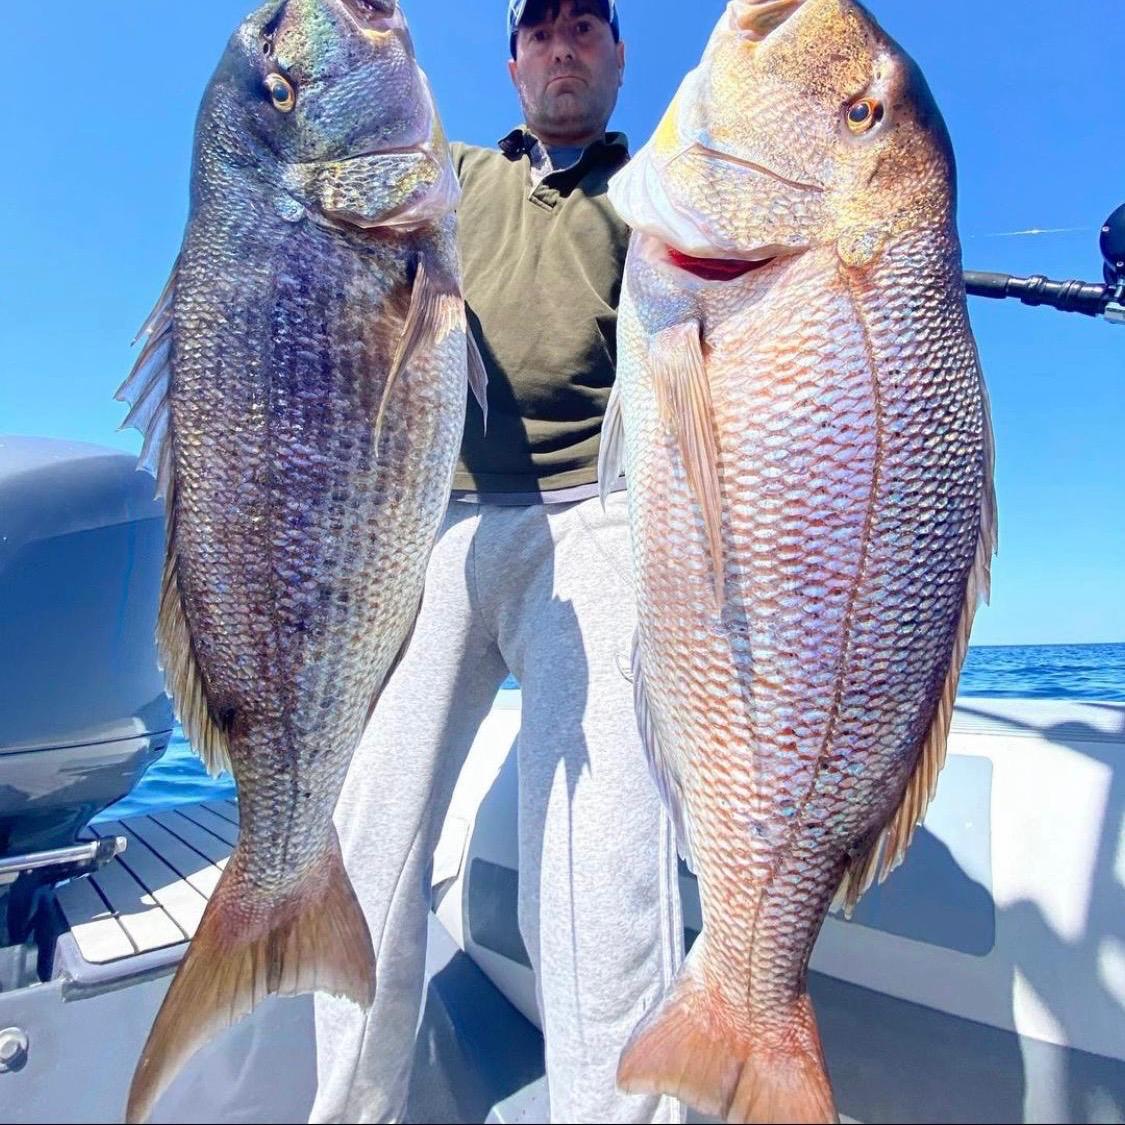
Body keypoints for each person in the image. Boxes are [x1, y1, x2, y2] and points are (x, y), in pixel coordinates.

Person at [311, 2, 684, 1122]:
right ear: (512, 60)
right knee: (366, 843)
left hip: (599, 520)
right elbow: (339, 142)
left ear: (618, 56)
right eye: (543, 30)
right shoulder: (450, 170)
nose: (564, 46)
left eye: (588, 27)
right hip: (432, 524)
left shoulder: (661, 184)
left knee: (604, 870)